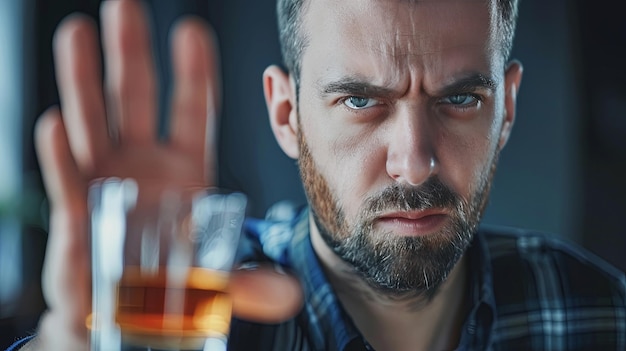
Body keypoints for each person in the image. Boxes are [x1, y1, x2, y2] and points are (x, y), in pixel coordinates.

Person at [8, 0, 626, 350]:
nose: (414, 161)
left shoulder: (600, 316)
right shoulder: (191, 311)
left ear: (507, 107)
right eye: (360, 101)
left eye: (459, 100)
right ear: (287, 114)